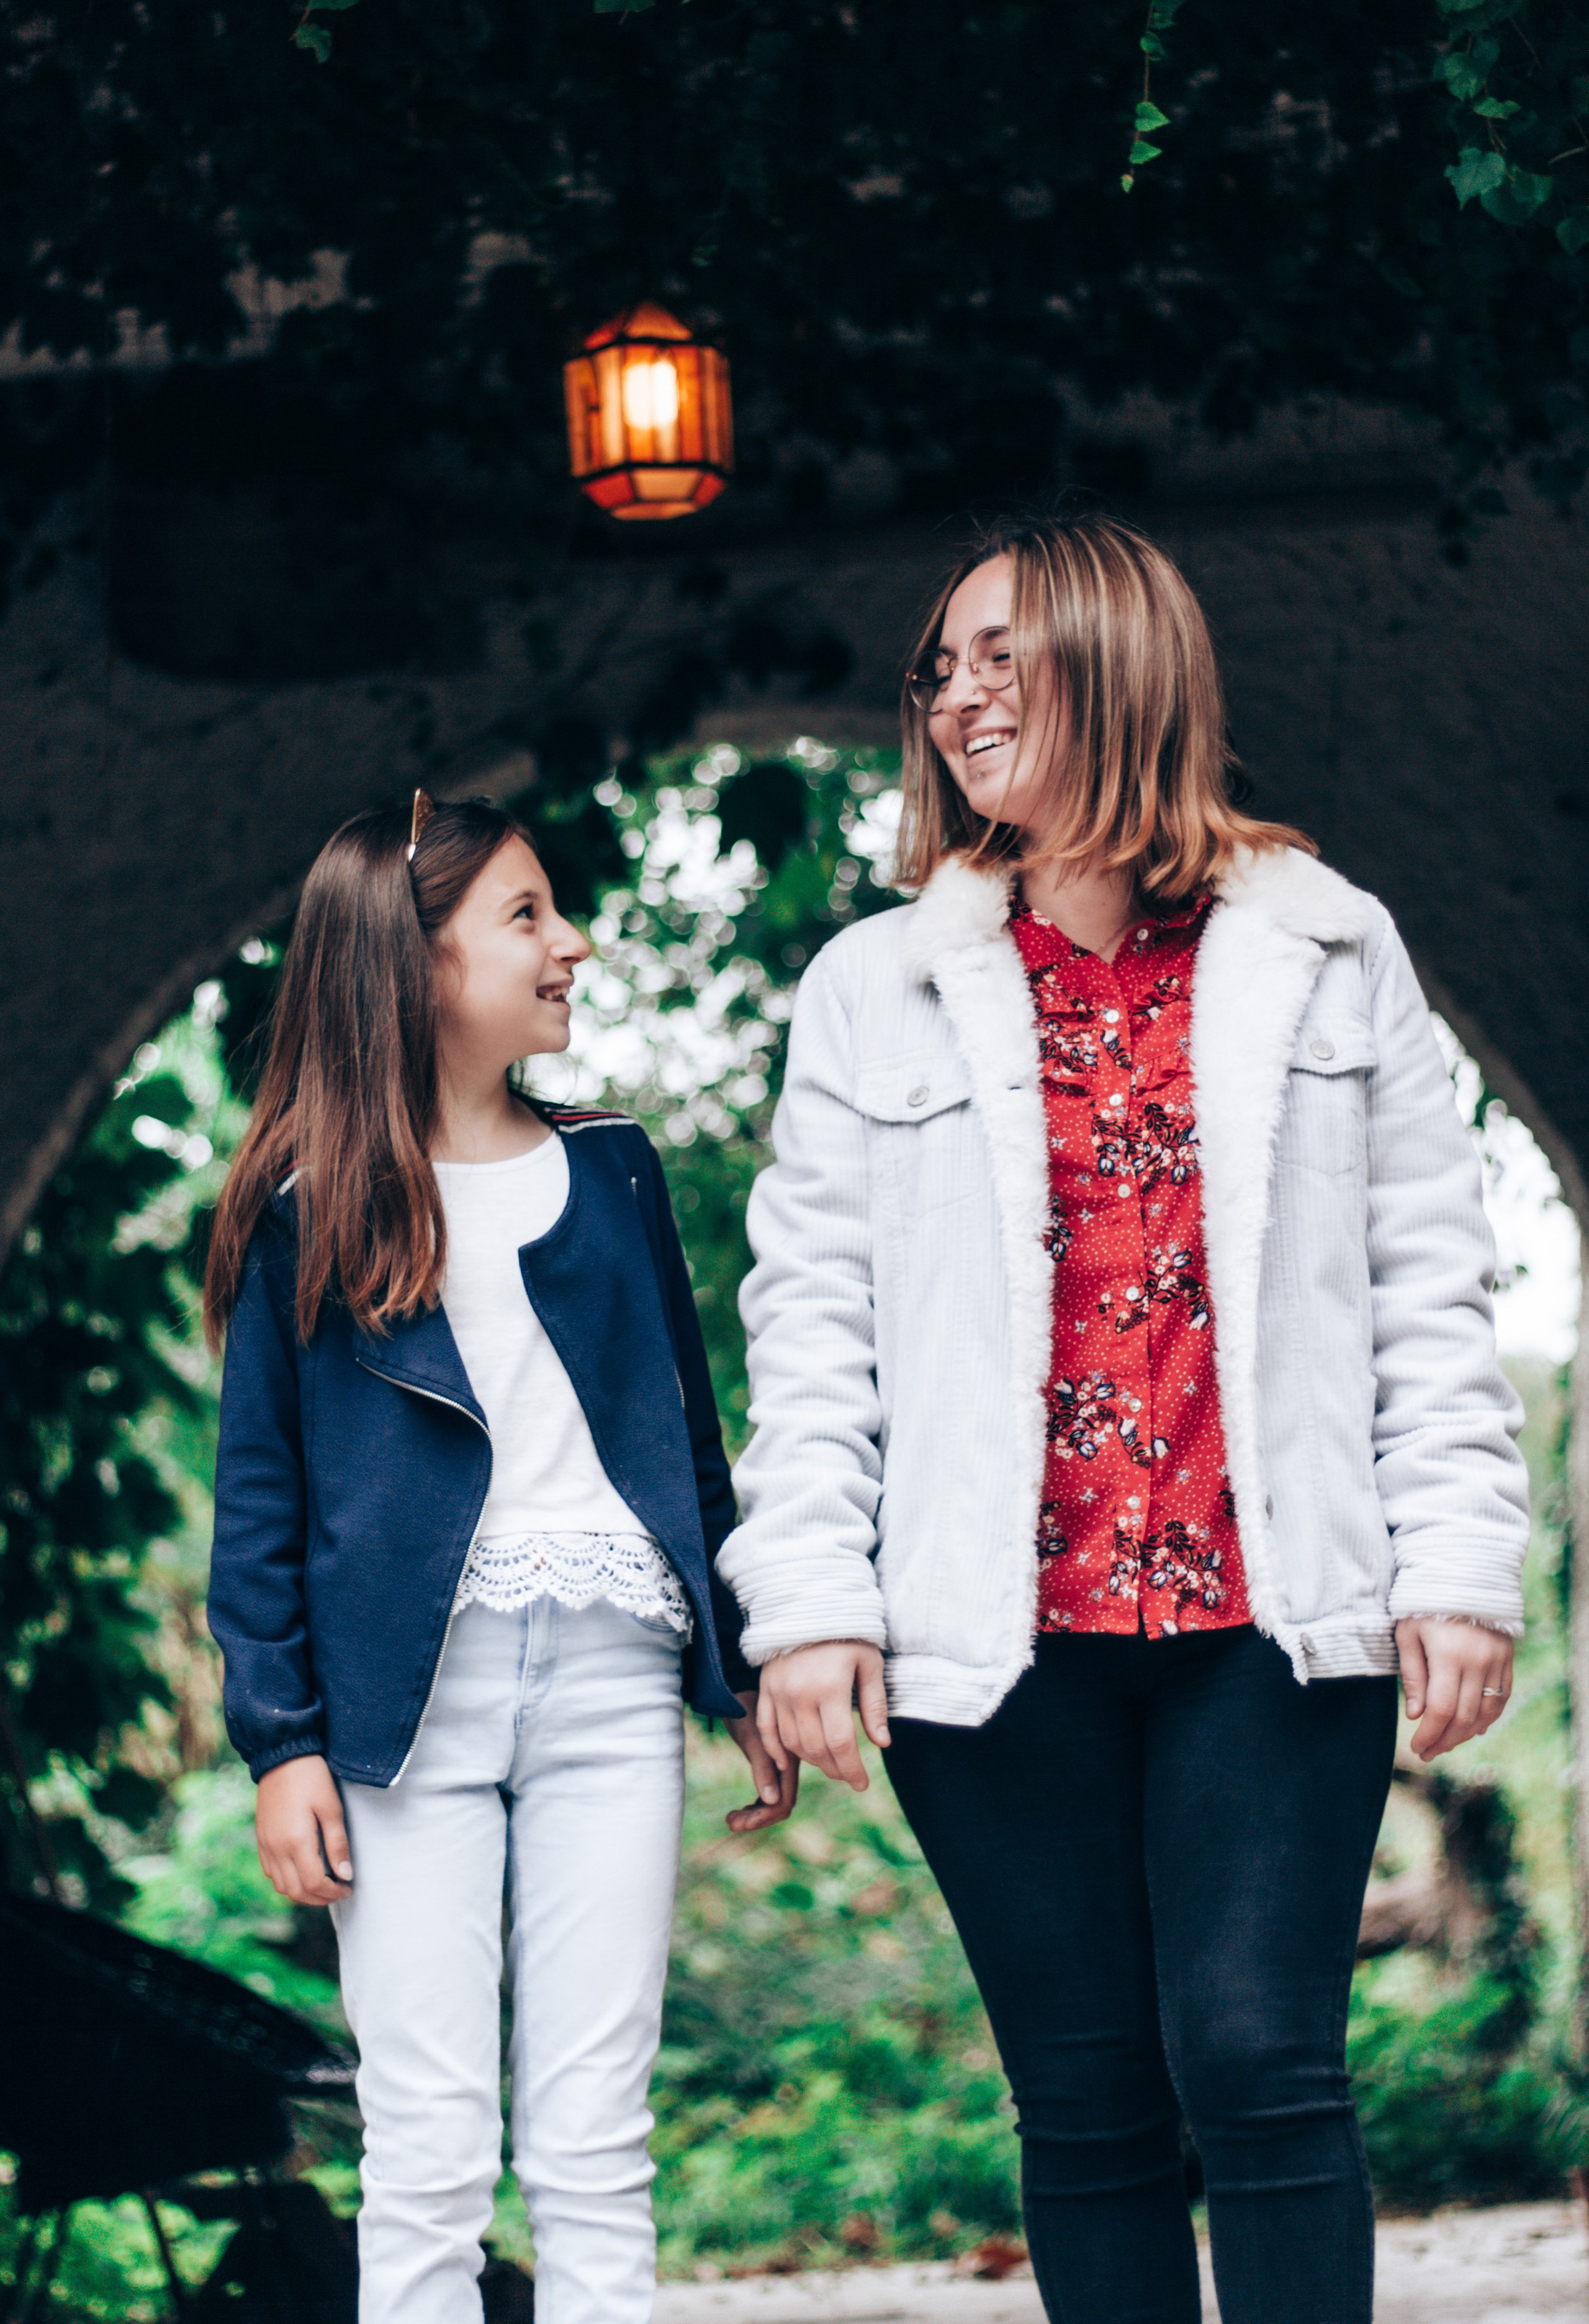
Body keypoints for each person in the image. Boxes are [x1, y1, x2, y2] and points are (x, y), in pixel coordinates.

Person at [718, 513, 1528, 2324]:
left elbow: (1425, 1278)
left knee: (1260, 2062)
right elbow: (816, 1318)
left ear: (1121, 657)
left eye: (1004, 651)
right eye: (940, 665)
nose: (956, 693)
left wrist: (1461, 1563)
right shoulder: (877, 988)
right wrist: (814, 1602)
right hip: (993, 1638)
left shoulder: (1329, 947)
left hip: (1271, 1614)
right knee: (1086, 2104)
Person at [204, 792, 794, 2324]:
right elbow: (258, 1500)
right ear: (413, 964)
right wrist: (281, 1743)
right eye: (526, 913)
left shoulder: (613, 1171)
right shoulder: (305, 1212)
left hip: (607, 1684)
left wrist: (742, 1669)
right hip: (405, 1718)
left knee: (598, 2139)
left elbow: (688, 1437)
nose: (571, 942)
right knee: (427, 2150)